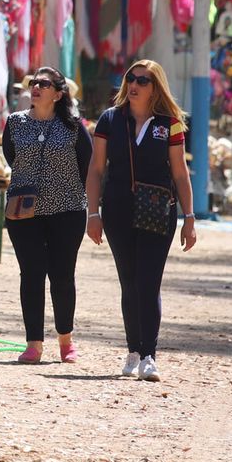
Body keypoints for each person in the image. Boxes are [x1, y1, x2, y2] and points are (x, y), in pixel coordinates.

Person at [86, 59, 197, 382]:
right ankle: (133, 350)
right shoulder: (110, 119)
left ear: (155, 87)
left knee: (149, 282)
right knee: (129, 282)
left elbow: (180, 172)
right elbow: (96, 169)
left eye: (143, 81)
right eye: (130, 78)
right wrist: (92, 213)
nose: (134, 85)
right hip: (117, 209)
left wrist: (189, 218)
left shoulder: (169, 123)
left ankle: (149, 355)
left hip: (158, 209)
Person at [2, 67, 93, 364]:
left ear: (58, 94)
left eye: (44, 83)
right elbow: (11, 157)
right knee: (31, 274)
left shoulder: (74, 126)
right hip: (24, 212)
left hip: (67, 210)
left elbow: (87, 165)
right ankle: (34, 344)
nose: (36, 87)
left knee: (62, 276)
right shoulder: (15, 123)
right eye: (34, 83)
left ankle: (66, 340)